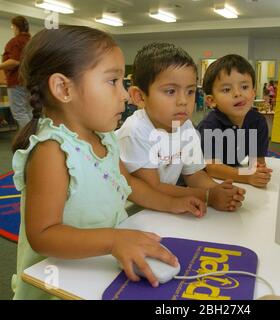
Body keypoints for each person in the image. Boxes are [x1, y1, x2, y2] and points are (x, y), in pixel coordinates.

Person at [11, 26, 206, 300]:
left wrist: (173, 203)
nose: (125, 95)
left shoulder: (107, 139)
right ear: (63, 88)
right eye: (113, 81)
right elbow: (43, 235)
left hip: (98, 265)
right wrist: (113, 240)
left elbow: (128, 185)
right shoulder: (52, 151)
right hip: (58, 284)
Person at [116, 43, 245, 213]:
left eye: (190, 91)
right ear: (139, 97)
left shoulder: (185, 126)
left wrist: (221, 191)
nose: (183, 101)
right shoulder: (135, 131)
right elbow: (153, 187)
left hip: (163, 209)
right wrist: (208, 196)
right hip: (131, 213)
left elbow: (194, 174)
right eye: (170, 91)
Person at [197, 54, 273, 188]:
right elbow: (211, 167)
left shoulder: (258, 122)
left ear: (253, 92)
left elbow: (257, 161)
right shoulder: (211, 125)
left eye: (244, 87)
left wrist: (260, 172)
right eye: (227, 89)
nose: (238, 94)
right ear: (211, 101)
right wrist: (247, 176)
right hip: (203, 179)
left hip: (231, 175)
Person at [0, 16, 32, 129]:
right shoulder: (31, 41)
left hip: (16, 81)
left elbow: (14, 61)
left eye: (12, 26)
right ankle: (34, 137)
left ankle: (28, 140)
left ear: (16, 27)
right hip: (29, 80)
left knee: (19, 112)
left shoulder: (16, 41)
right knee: (28, 111)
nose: (12, 29)